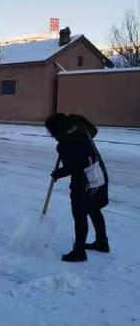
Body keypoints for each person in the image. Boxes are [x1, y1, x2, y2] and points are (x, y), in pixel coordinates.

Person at [45, 113, 110, 263]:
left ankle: (79, 250)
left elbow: (74, 166)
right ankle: (102, 242)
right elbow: (93, 131)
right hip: (99, 173)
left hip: (85, 182)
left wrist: (58, 173)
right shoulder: (79, 124)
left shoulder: (65, 145)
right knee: (94, 209)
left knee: (80, 214)